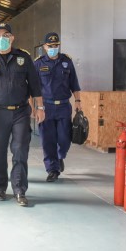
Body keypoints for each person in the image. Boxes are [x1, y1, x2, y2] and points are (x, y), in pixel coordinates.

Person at [0, 23, 45, 207]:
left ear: (12, 37)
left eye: (6, 34)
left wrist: (40, 107)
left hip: (21, 112)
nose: (2, 38)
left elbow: (35, 85)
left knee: (20, 149)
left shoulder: (23, 57)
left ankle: (19, 189)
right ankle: (0, 187)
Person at [33, 32, 82, 182]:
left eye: (56, 45)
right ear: (44, 47)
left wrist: (78, 101)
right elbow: (33, 87)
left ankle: (60, 155)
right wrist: (35, 107)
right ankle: (52, 169)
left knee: (64, 138)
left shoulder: (67, 61)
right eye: (50, 46)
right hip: (45, 107)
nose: (53, 48)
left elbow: (74, 84)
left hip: (63, 107)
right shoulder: (38, 63)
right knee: (48, 140)